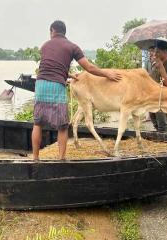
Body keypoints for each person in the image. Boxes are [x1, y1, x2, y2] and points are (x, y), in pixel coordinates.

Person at [32, 20, 122, 161]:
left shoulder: (44, 46)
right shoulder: (72, 47)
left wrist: (68, 74)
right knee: (62, 127)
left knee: (38, 123)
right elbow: (89, 68)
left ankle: (35, 158)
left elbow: (50, 66)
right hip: (56, 86)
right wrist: (107, 74)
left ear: (52, 31)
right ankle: (61, 159)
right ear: (64, 32)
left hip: (40, 84)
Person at [149, 41, 167, 132]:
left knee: (162, 124)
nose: (155, 54)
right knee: (153, 119)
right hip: (154, 96)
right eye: (155, 52)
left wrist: (161, 68)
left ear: (165, 52)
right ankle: (159, 138)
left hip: (163, 99)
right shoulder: (156, 63)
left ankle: (164, 140)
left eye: (158, 52)